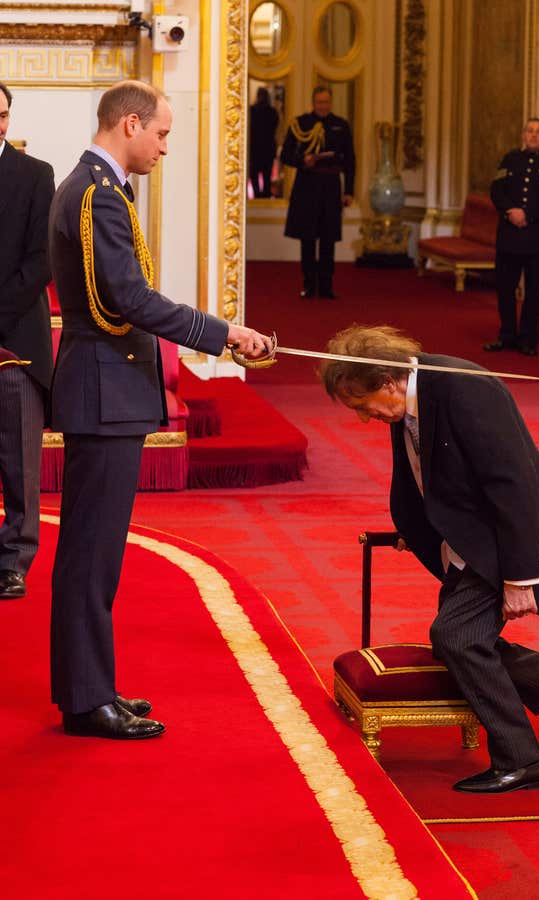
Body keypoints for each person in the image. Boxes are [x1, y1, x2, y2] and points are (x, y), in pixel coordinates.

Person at [48, 80, 273, 740]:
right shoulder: (95, 193)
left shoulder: (101, 188)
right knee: (91, 557)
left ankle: (90, 688)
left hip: (107, 388)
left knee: (96, 555)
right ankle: (88, 702)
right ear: (130, 123)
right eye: (163, 134)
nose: (165, 147)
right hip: (102, 389)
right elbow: (129, 300)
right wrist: (223, 331)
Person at [320, 324, 539, 794]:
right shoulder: (407, 399)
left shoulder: (465, 388)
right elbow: (428, 472)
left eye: (363, 405)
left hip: (503, 543)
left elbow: (513, 485)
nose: (364, 418)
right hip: (469, 540)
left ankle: (523, 759)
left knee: (456, 637)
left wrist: (520, 577)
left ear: (387, 382)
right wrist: (418, 531)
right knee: (458, 639)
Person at [0, 81, 55, 601]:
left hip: (14, 343)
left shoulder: (36, 175)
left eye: (1, 114)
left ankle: (13, 561)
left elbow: (40, 262)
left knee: (19, 461)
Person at [484, 117, 539, 356]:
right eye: (530, 131)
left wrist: (527, 215)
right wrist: (511, 211)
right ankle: (506, 335)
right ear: (523, 135)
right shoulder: (510, 160)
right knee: (505, 288)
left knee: (533, 291)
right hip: (509, 235)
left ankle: (529, 339)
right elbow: (496, 190)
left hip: (538, 236)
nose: (533, 135)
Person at [281, 86, 355, 299]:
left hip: (331, 187)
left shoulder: (341, 125)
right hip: (307, 186)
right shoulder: (300, 124)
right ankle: (308, 286)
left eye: (326, 102)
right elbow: (286, 155)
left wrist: (349, 191)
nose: (323, 106)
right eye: (319, 102)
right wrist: (302, 161)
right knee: (307, 238)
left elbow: (350, 161)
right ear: (313, 103)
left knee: (328, 238)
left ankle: (326, 286)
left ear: (330, 103)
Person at [248, 86, 279, 199]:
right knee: (267, 177)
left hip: (254, 149)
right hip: (268, 150)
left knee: (254, 177)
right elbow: (275, 128)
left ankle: (256, 197)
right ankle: (265, 196)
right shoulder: (272, 112)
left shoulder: (252, 110)